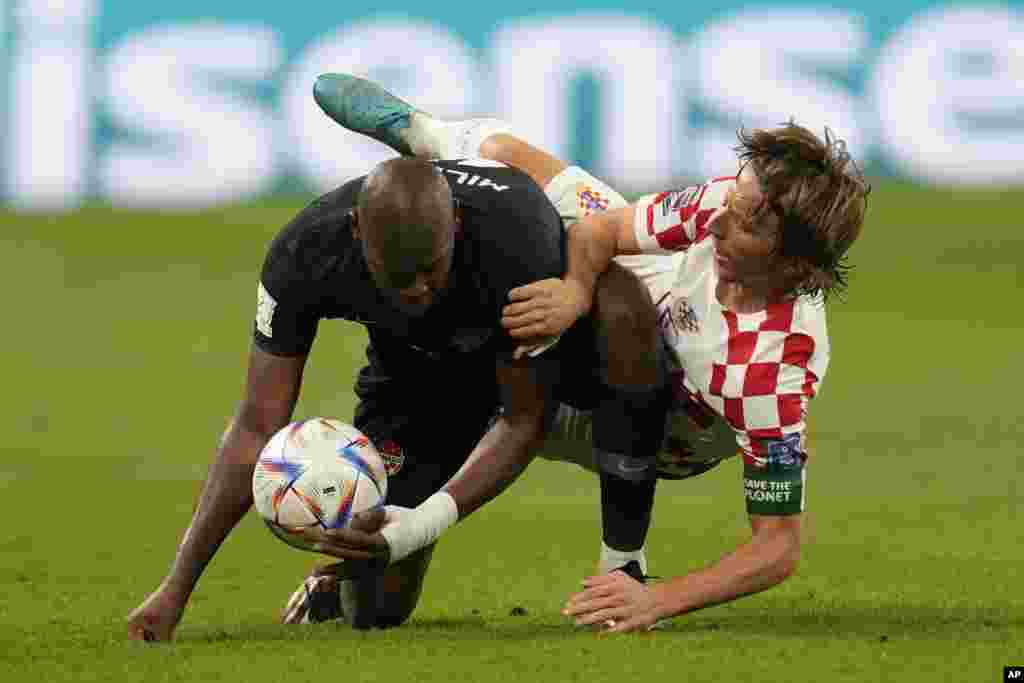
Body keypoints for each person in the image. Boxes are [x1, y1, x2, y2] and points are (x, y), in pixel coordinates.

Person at [309, 73, 870, 632]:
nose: (718, 219)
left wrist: (661, 600)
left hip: (660, 424)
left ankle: (613, 555)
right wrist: (575, 291)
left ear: (794, 265)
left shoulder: (767, 374)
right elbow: (601, 230)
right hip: (648, 288)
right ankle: (432, 136)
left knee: (482, 402)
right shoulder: (726, 207)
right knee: (517, 166)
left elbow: (777, 548)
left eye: (744, 224)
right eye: (733, 201)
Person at [125, 115, 673, 637]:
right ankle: (336, 577)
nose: (416, 291)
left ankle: (622, 563)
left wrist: (423, 522)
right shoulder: (302, 256)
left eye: (431, 270)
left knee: (622, 305)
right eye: (395, 276)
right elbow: (255, 425)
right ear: (356, 232)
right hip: (418, 381)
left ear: (455, 225)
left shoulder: (516, 233)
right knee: (375, 608)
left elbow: (521, 420)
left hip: (535, 361)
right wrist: (175, 588)